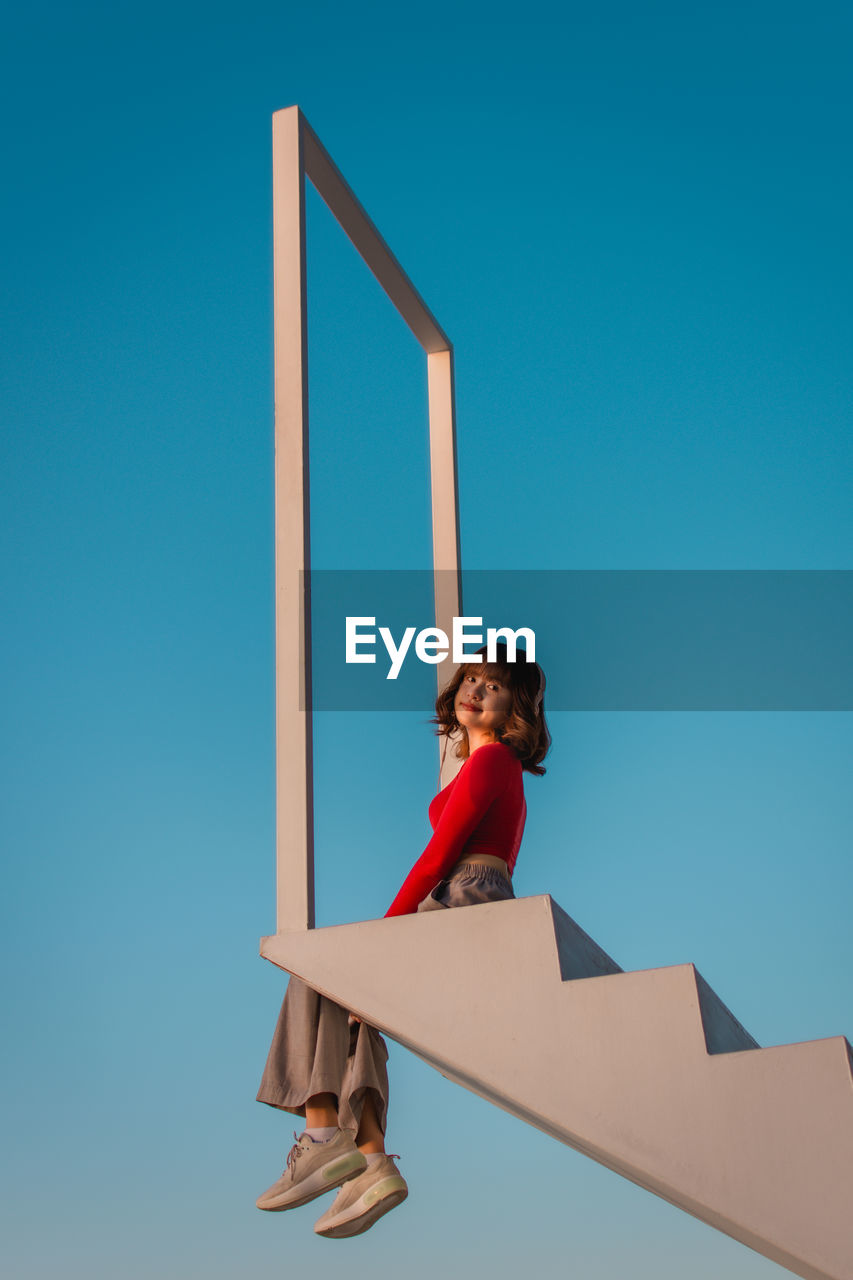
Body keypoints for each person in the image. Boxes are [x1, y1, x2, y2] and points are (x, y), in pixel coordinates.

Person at [255, 643, 550, 1238]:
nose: (475, 690)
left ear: (516, 707)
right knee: (359, 1009)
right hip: (469, 898)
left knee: (318, 969)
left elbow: (440, 857)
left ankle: (321, 1134)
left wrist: (387, 928)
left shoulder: (493, 763)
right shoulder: (485, 765)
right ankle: (369, 1161)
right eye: (471, 678)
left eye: (494, 685)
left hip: (467, 896)